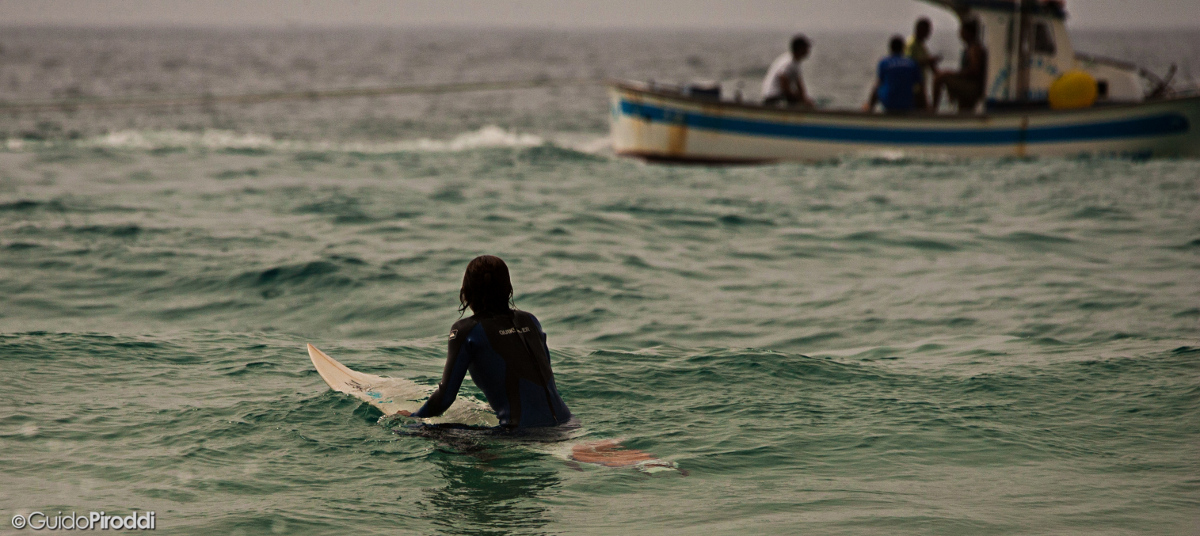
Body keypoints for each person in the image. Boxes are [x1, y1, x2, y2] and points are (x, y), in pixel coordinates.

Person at [397, 255, 573, 429]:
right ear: (508, 288)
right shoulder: (531, 321)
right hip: (567, 423)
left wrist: (414, 417)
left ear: (466, 291)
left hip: (522, 434)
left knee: (413, 431)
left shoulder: (466, 330)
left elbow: (445, 398)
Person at [932, 19, 988, 114]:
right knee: (964, 111)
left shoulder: (974, 48)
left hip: (973, 88)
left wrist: (953, 74)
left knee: (940, 77)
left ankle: (932, 110)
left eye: (962, 31)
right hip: (972, 86)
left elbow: (974, 70)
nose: (960, 34)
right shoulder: (971, 47)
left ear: (968, 33)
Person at [863, 35, 923, 113]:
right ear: (903, 48)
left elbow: (879, 84)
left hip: (889, 103)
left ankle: (870, 108)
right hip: (907, 103)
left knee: (878, 86)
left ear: (890, 48)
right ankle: (924, 112)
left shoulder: (884, 63)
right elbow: (921, 87)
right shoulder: (912, 63)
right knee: (917, 89)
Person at [762, 34, 815, 108]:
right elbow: (783, 82)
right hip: (773, 97)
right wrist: (801, 99)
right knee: (796, 100)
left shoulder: (796, 63)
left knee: (803, 101)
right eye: (806, 47)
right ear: (800, 48)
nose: (808, 50)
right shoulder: (788, 63)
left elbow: (799, 85)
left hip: (779, 96)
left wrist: (805, 99)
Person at [905, 17, 942, 110]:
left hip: (921, 86)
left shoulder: (922, 46)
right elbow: (908, 62)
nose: (929, 33)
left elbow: (930, 65)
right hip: (913, 87)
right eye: (927, 30)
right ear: (920, 29)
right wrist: (928, 61)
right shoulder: (911, 43)